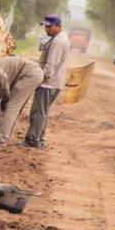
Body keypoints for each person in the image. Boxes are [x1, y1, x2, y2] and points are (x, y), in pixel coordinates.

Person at [25, 14, 70, 148]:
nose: (47, 29)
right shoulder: (60, 38)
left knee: (39, 112)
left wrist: (40, 78)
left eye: (49, 26)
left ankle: (34, 139)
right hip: (54, 83)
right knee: (42, 111)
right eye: (45, 26)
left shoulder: (57, 41)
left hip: (48, 83)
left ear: (58, 26)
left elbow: (51, 64)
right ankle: (37, 138)